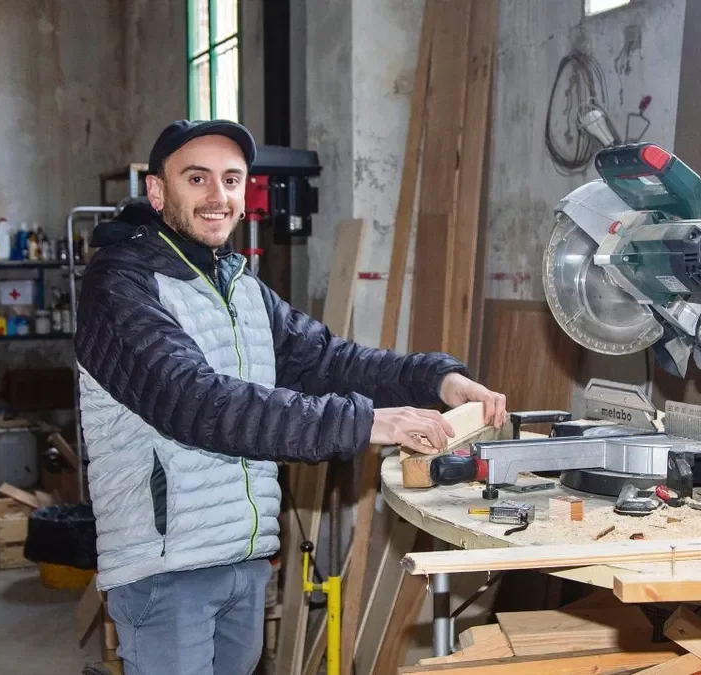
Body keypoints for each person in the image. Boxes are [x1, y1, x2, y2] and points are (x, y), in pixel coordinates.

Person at [73, 119, 507, 675]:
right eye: (197, 178)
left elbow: (328, 360)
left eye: (232, 181)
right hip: (165, 565)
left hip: (244, 557)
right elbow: (196, 403)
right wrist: (368, 422)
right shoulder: (120, 285)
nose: (217, 197)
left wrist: (437, 378)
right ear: (158, 191)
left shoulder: (240, 286)